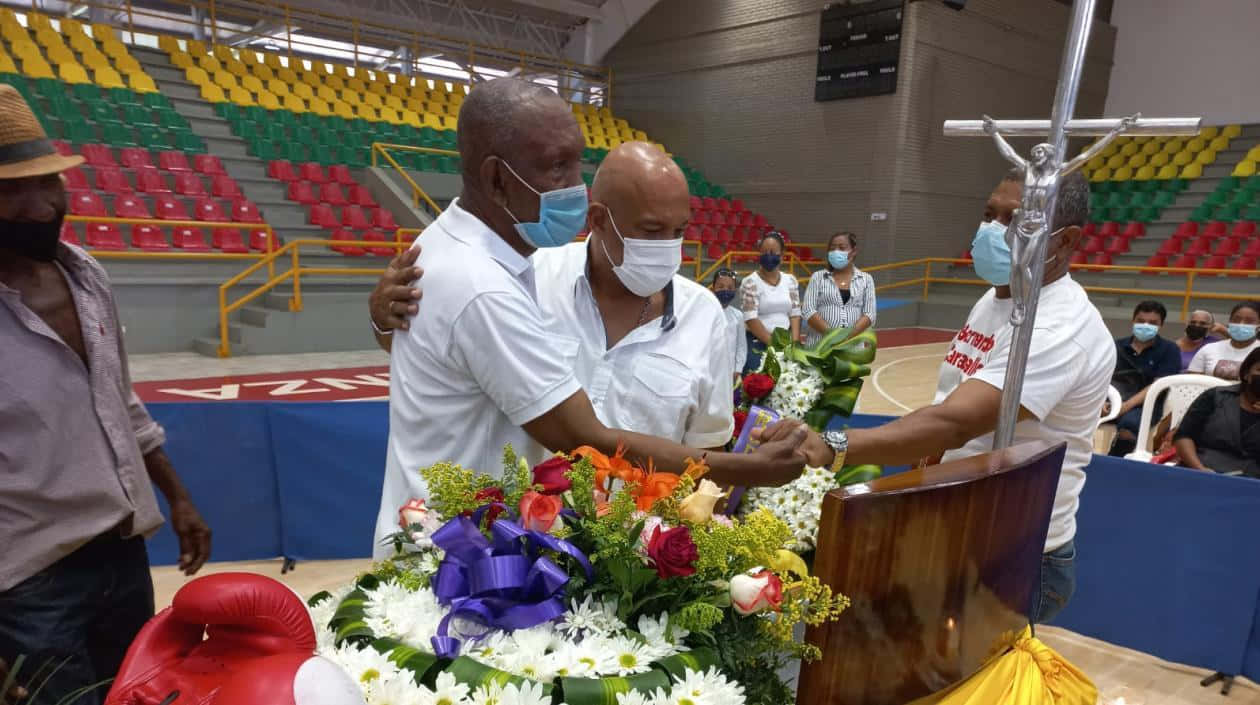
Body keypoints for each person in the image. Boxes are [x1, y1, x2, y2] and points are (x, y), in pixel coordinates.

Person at [370, 79, 807, 558]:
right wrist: (753, 469)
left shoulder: (485, 261)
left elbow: (451, 358)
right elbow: (586, 438)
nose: (575, 185)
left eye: (677, 231)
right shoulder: (498, 283)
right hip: (461, 557)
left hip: (572, 556)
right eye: (558, 166)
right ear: (497, 179)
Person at [759, 169, 1112, 625]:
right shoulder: (995, 300)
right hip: (955, 529)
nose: (992, 230)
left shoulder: (1060, 328)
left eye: (1015, 221)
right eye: (990, 214)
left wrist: (833, 446)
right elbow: (950, 405)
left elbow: (955, 423)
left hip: (1012, 554)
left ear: (1064, 243)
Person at [0, 85, 211, 705]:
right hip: (27, 584)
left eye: (49, 183)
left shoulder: (86, 274)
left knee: (135, 695)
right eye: (11, 189)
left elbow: (121, 401)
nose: (41, 206)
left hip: (120, 557)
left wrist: (177, 497)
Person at [1107, 300, 1181, 458]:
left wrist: (1125, 406)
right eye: (1141, 321)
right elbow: (1102, 378)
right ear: (1133, 321)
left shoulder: (1170, 350)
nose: (1145, 325)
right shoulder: (1115, 345)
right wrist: (1102, 402)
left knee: (1129, 425)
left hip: (1146, 403)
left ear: (1161, 325)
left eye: (1152, 322)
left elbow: (1158, 385)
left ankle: (1114, 463)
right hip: (1112, 399)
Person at [1173, 347, 1260, 477]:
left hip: (1250, 480)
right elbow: (1183, 436)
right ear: (1247, 373)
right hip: (1201, 470)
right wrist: (1200, 469)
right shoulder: (1216, 396)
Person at [739, 231, 801, 372]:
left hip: (787, 342)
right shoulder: (750, 282)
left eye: (773, 252)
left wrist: (795, 344)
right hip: (757, 343)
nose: (769, 256)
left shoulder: (790, 280)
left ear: (782, 255)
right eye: (764, 252)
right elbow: (750, 318)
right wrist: (775, 345)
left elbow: (795, 313)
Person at [801, 231, 876, 346]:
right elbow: (808, 310)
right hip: (819, 346)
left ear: (854, 251)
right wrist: (833, 336)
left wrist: (847, 338)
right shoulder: (818, 277)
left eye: (842, 248)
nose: (836, 252)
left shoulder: (866, 279)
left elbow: (869, 314)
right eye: (832, 248)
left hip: (851, 348)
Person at [1186, 301, 1260, 380]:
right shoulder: (1208, 349)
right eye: (1236, 319)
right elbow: (1193, 383)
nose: (1241, 324)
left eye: (1249, 321)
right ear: (1229, 321)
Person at [711, 267, 746, 382]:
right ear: (713, 288)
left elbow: (741, 346)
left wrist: (738, 368)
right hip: (708, 369)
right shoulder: (704, 312)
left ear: (735, 290)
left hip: (730, 371)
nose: (725, 290)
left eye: (730, 287)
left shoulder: (738, 315)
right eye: (721, 287)